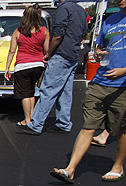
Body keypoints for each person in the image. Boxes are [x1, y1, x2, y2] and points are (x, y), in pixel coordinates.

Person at [50, 0, 126, 183]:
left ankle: (118, 166)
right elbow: (101, 47)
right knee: (88, 125)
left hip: (123, 86)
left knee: (122, 129)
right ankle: (70, 169)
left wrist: (124, 70)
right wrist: (99, 53)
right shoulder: (110, 20)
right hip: (100, 81)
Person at [18, 0, 87, 135]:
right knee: (65, 92)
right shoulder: (80, 10)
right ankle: (64, 122)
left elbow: (58, 34)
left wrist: (49, 53)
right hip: (72, 54)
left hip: (61, 54)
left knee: (48, 89)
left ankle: (36, 124)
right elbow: (84, 33)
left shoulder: (64, 9)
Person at [4, 5, 49, 126]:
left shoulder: (18, 32)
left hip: (22, 65)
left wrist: (7, 67)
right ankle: (32, 117)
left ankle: (27, 119)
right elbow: (46, 50)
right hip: (37, 65)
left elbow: (12, 51)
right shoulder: (44, 31)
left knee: (25, 93)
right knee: (31, 91)